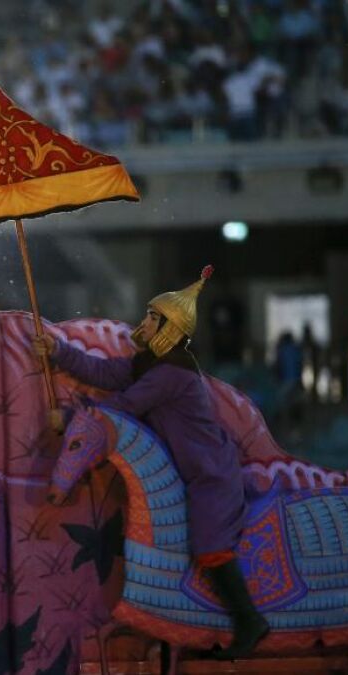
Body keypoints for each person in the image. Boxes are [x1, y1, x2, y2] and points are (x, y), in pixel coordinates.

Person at [33, 266, 269, 659]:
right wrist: (60, 352)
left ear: (168, 329)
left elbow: (125, 406)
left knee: (210, 545)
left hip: (210, 476)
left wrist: (71, 419)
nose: (142, 323)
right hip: (186, 475)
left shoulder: (171, 373)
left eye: (151, 318)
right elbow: (105, 373)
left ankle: (248, 620)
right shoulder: (150, 364)